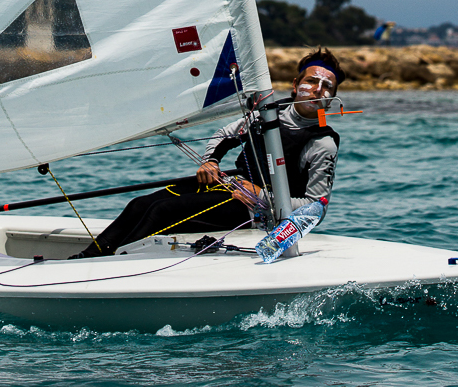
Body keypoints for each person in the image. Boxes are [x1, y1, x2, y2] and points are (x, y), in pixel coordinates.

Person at [71, 48, 345, 257]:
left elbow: (315, 208)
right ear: (296, 85)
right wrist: (211, 161)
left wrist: (261, 195)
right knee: (140, 205)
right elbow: (225, 135)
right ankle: (87, 259)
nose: (317, 91)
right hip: (230, 186)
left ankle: (113, 265)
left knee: (163, 212)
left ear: (332, 99)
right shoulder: (267, 113)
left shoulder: (322, 144)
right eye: (311, 82)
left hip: (257, 212)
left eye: (327, 88)